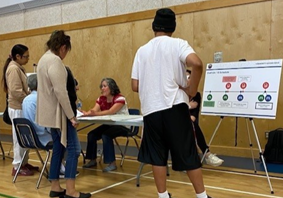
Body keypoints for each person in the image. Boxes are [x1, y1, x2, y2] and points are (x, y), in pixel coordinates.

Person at [131, 8, 211, 198]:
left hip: (151, 109)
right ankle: (201, 196)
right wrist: (191, 89)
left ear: (154, 27)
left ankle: (163, 195)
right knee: (187, 152)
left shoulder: (142, 51)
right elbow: (197, 64)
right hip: (174, 106)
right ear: (172, 27)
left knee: (157, 156)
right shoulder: (178, 44)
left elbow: (135, 85)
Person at [36, 30, 91, 198]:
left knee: (58, 149)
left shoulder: (42, 60)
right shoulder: (55, 61)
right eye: (66, 50)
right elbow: (61, 92)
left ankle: (55, 187)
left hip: (49, 115)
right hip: (60, 114)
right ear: (62, 47)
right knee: (74, 150)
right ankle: (71, 190)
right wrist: (71, 116)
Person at [1, 44, 39, 176]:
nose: (28, 59)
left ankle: (24, 162)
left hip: (22, 107)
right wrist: (30, 99)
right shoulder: (13, 69)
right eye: (26, 56)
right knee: (19, 138)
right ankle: (17, 166)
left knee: (25, 136)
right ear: (18, 56)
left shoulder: (18, 68)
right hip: (17, 108)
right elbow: (16, 91)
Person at [81, 78, 130, 172]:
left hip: (123, 125)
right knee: (92, 135)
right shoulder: (101, 99)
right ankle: (92, 160)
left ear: (111, 87)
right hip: (109, 125)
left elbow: (111, 112)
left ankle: (112, 163)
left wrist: (93, 113)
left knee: (106, 135)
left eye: (104, 86)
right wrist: (86, 113)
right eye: (101, 86)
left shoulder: (120, 98)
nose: (102, 88)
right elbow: (94, 110)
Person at [186, 70, 224, 167]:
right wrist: (188, 106)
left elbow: (193, 117)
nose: (187, 80)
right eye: (184, 77)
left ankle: (203, 155)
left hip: (187, 124)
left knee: (191, 125)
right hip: (173, 123)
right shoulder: (177, 94)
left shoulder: (196, 95)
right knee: (190, 126)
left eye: (189, 77)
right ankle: (206, 154)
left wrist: (185, 108)